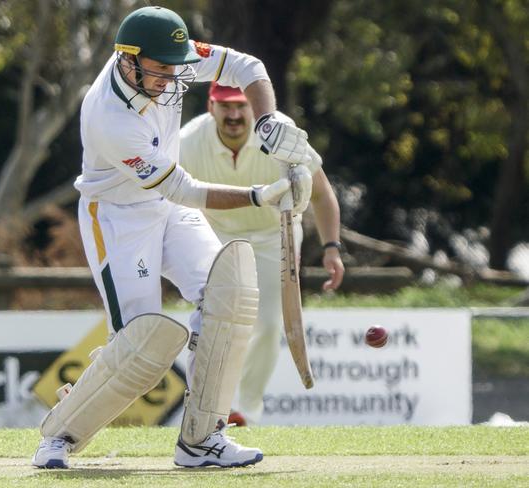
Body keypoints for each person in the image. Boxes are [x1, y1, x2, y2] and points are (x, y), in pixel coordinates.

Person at [31, 6, 313, 469]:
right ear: (128, 60)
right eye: (161, 70)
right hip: (118, 220)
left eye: (176, 66)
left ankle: (202, 440)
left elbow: (249, 68)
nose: (172, 78)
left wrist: (268, 120)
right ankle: (58, 437)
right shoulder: (109, 118)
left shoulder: (170, 56)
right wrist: (263, 197)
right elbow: (186, 188)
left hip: (167, 209)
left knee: (229, 294)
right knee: (142, 344)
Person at [180, 83, 345, 426]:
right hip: (216, 233)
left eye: (241, 106)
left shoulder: (282, 135)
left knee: (270, 325)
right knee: (217, 324)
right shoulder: (187, 143)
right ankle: (210, 410)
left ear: (254, 106)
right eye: (226, 107)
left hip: (275, 234)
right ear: (211, 107)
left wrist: (332, 248)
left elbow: (322, 193)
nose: (235, 115)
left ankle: (247, 412)